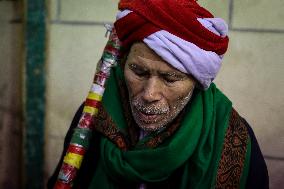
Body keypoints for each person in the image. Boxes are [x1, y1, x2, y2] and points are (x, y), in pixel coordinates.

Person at [48, 0, 269, 188]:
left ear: (197, 81)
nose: (149, 93)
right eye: (138, 71)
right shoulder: (93, 116)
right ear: (124, 63)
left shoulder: (233, 138)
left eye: (170, 78)